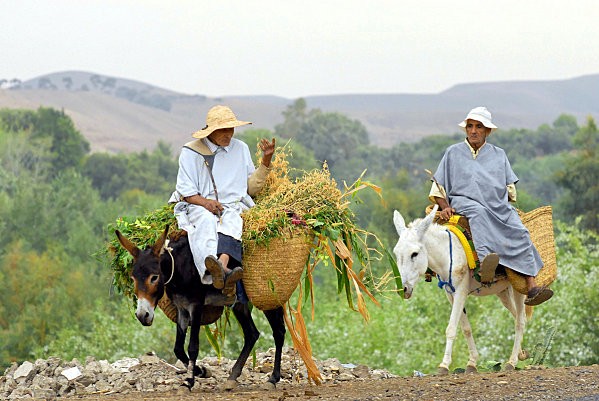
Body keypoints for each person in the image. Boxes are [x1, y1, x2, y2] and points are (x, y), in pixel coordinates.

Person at [429, 106, 553, 306]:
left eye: (479, 126)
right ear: (466, 129)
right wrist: (444, 206)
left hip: (496, 205)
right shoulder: (453, 153)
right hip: (465, 202)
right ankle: (485, 266)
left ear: (487, 131)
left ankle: (532, 286)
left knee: (519, 229)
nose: (473, 131)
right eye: (470, 126)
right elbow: (438, 187)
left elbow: (509, 190)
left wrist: (499, 203)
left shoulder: (499, 155)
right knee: (478, 213)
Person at [169, 105, 275, 300]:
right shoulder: (191, 152)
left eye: (231, 129)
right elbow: (186, 191)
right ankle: (211, 274)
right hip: (198, 205)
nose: (228, 134)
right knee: (206, 222)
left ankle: (223, 266)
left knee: (234, 219)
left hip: (232, 205)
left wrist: (266, 161)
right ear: (211, 131)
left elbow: (250, 188)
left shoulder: (240, 148)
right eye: (223, 130)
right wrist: (206, 203)